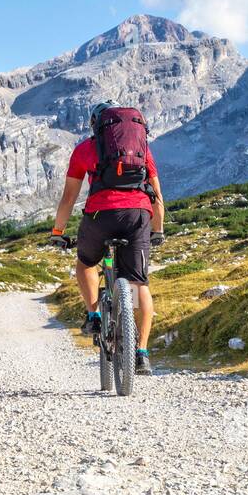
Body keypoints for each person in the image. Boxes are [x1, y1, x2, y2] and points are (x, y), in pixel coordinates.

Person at [48, 101, 165, 375]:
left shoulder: (85, 149)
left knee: (86, 262)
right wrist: (157, 230)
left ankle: (94, 315)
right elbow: (157, 196)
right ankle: (143, 352)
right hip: (138, 215)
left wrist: (58, 233)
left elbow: (69, 198)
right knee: (139, 284)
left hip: (100, 215)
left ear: (96, 125)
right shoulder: (141, 150)